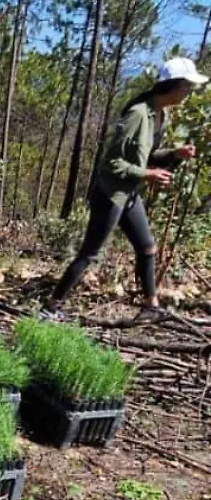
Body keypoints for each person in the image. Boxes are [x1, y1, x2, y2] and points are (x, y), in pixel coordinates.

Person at [44, 55, 205, 320]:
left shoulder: (157, 114)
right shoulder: (137, 114)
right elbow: (112, 163)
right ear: (174, 85)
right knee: (90, 253)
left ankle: (150, 307)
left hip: (130, 193)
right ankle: (50, 307)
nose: (189, 91)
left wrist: (175, 152)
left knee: (147, 248)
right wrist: (148, 174)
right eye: (187, 86)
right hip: (111, 194)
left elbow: (147, 154)